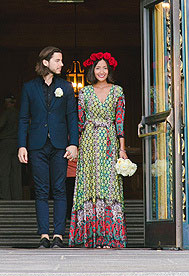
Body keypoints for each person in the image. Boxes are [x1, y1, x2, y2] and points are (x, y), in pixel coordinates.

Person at [18, 46, 79, 249]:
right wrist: (22, 146)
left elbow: (72, 117)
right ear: (46, 62)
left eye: (61, 61)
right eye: (58, 61)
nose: (62, 64)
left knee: (60, 190)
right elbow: (23, 119)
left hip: (61, 145)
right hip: (36, 145)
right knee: (42, 191)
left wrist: (73, 143)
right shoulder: (29, 87)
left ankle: (59, 235)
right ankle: (44, 234)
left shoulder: (67, 87)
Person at [69, 51, 127, 249]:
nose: (101, 71)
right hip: (89, 142)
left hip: (110, 140)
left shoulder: (117, 91)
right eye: (98, 68)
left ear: (109, 70)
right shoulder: (84, 92)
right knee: (90, 185)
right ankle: (90, 237)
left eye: (104, 68)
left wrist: (122, 149)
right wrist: (75, 145)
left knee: (109, 186)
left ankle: (110, 237)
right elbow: (79, 122)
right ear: (92, 70)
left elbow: (119, 121)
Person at [0, 94, 22, 201]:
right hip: (17, 143)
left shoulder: (7, 113)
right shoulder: (19, 113)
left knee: (4, 171)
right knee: (16, 172)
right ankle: (17, 197)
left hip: (5, 143)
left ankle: (5, 197)